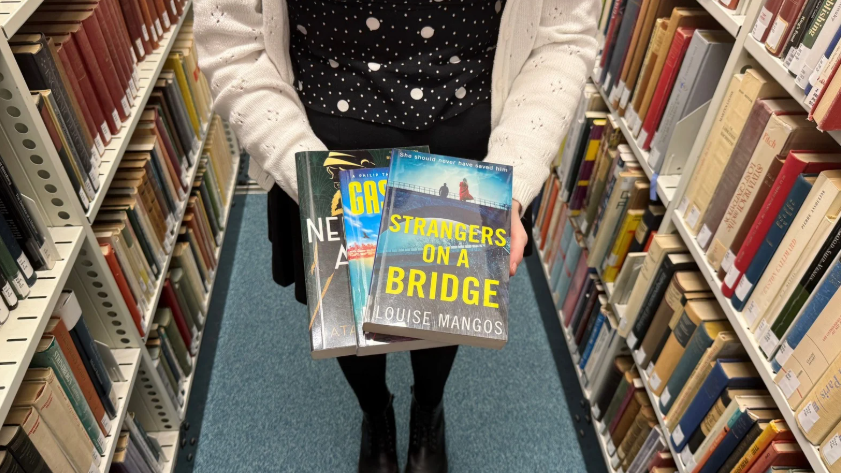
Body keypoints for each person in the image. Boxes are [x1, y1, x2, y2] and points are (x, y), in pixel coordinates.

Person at [195, 1, 599, 471]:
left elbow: (562, 36)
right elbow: (233, 43)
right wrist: (309, 174)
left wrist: (516, 167)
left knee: (444, 301)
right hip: (319, 146)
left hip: (467, 143)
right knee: (348, 308)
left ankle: (428, 410)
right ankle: (376, 413)